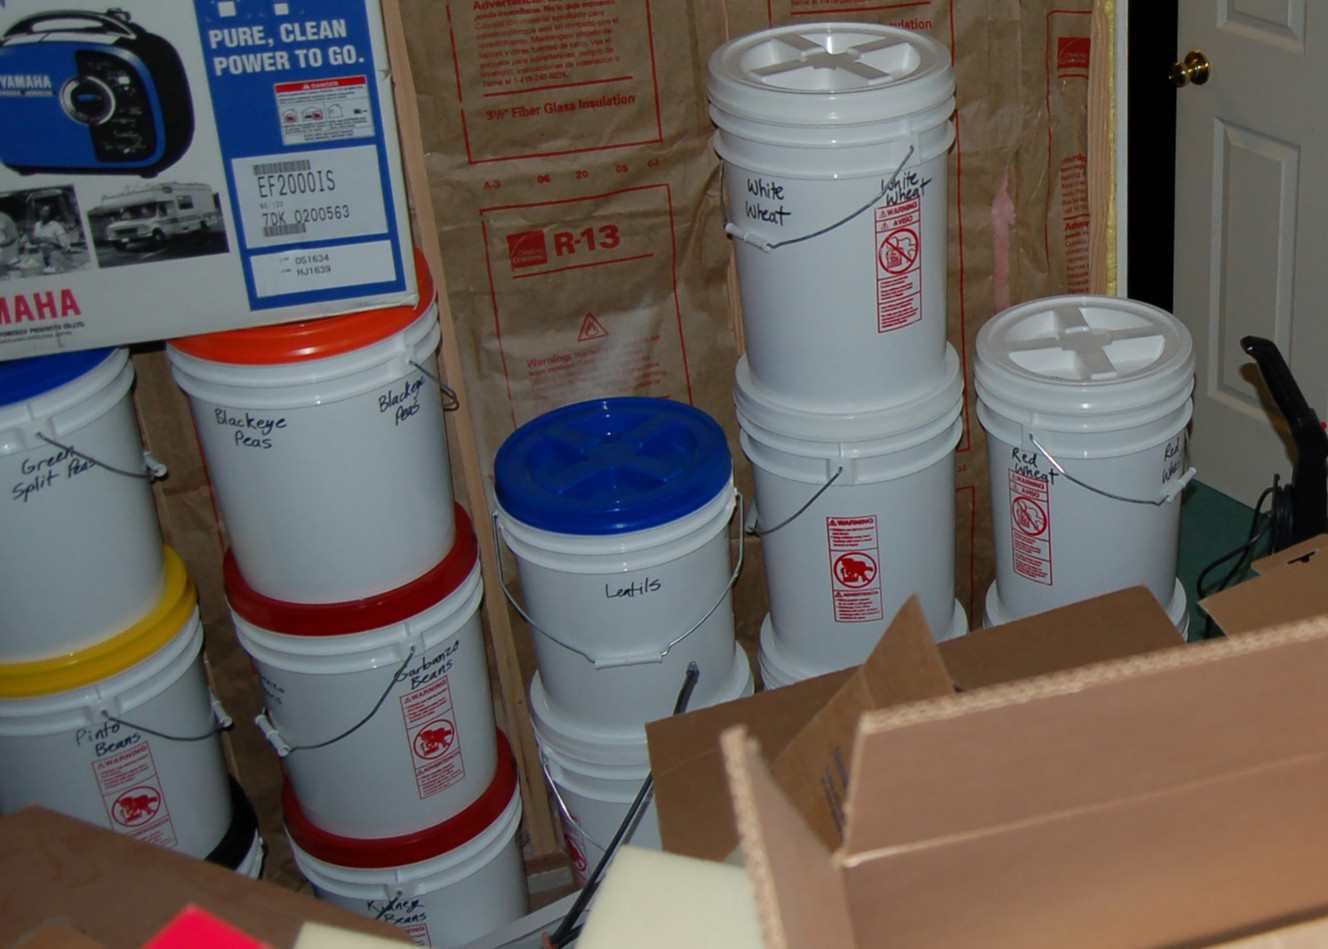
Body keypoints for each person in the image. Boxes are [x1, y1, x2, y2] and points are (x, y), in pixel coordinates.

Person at [24, 204, 70, 274]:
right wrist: (30, 236)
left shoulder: (56, 226)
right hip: (43, 256)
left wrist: (50, 242)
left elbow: (64, 244)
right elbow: (35, 240)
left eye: (46, 212)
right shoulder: (37, 225)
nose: (43, 214)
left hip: (55, 254)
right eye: (42, 211)